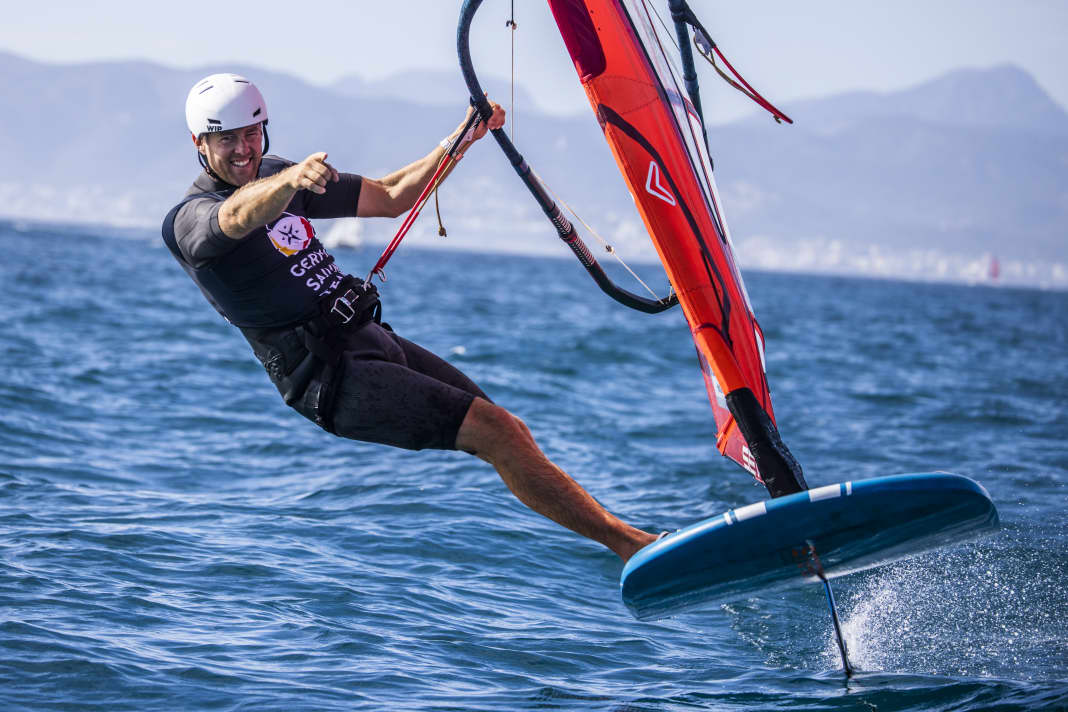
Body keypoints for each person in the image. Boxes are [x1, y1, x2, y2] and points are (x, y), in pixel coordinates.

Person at [163, 73, 657, 562]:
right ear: (199, 143)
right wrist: (287, 180)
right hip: (329, 380)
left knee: (509, 430)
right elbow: (234, 218)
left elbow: (392, 195)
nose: (244, 150)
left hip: (368, 339)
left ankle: (631, 539)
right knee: (495, 431)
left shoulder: (277, 177)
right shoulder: (189, 220)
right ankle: (633, 548)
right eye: (226, 139)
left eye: (251, 134)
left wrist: (461, 137)